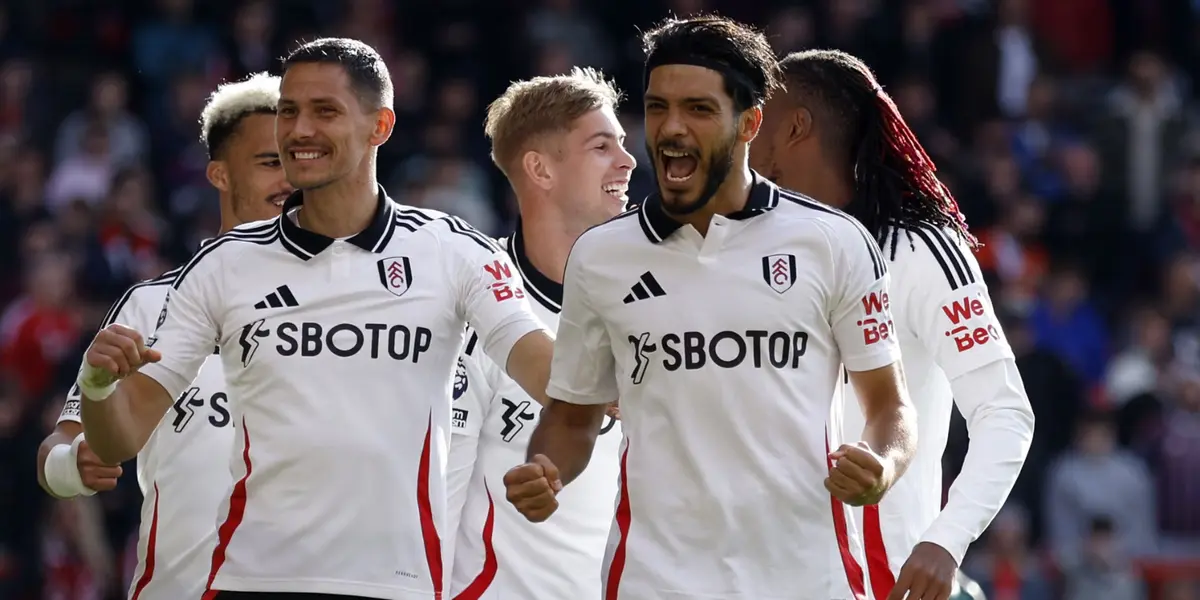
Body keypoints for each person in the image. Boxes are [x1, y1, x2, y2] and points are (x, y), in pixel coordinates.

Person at [75, 38, 555, 600]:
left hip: (396, 585)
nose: (299, 130)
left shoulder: (452, 252)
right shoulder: (224, 264)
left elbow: (540, 363)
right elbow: (122, 436)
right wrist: (98, 385)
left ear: (380, 125)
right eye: (289, 111)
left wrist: (627, 372)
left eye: (324, 111)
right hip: (252, 581)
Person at [503, 16, 919, 599]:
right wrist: (546, 469)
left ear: (749, 123)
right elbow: (572, 417)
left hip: (805, 577)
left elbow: (890, 405)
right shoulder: (601, 258)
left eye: (698, 109)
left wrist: (882, 463)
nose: (671, 128)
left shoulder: (833, 242)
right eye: (656, 107)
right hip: (656, 582)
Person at [749, 48, 1035, 600]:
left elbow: (1005, 412)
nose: (746, 136)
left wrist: (946, 540)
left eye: (759, 116)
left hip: (883, 579)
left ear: (795, 127)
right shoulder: (752, 246)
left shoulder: (919, 248)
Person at [35, 71, 292, 599]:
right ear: (219, 175)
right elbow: (60, 444)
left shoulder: (353, 308)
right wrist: (74, 465)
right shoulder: (150, 305)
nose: (288, 179)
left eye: (296, 162)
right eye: (270, 162)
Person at [446, 67, 634, 599]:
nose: (628, 160)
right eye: (602, 146)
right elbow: (441, 487)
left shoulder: (654, 299)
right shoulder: (477, 300)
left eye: (621, 144)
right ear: (540, 170)